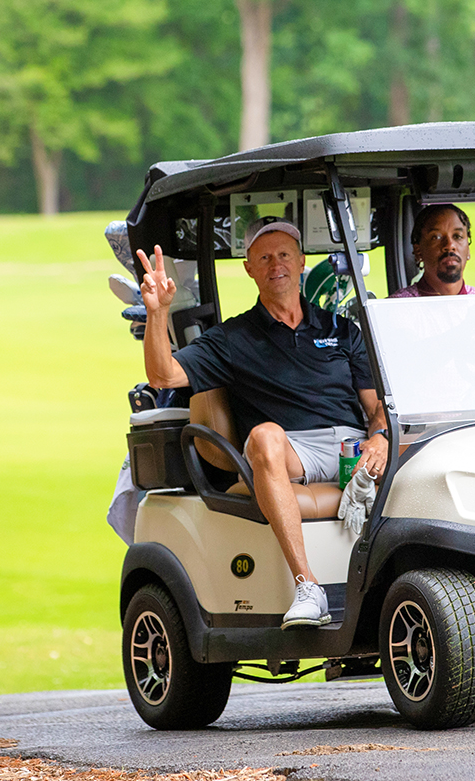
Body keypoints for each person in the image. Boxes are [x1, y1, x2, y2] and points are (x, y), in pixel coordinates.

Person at [136, 218, 389, 630]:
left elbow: (375, 406)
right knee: (264, 436)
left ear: (302, 261)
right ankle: (308, 587)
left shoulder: (340, 329)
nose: (277, 265)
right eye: (265, 257)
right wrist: (158, 312)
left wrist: (378, 437)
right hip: (291, 452)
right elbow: (163, 377)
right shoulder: (232, 339)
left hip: (351, 446)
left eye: (285, 254)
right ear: (249, 268)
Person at [389, 203, 475, 298]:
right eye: (436, 237)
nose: (450, 245)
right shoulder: (398, 308)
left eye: (457, 236)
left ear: (468, 249)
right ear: (418, 251)